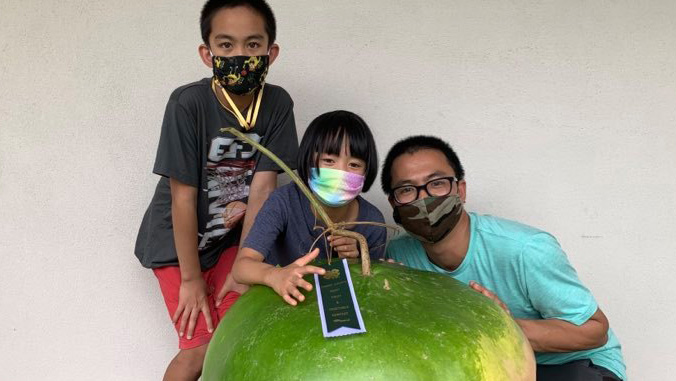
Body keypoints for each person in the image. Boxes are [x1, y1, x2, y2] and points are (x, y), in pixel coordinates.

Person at [134, 1, 298, 379]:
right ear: (207, 54)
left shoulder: (277, 104)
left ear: (271, 52)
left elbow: (263, 189)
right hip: (175, 244)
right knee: (198, 349)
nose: (240, 55)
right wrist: (191, 281)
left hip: (228, 241)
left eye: (253, 45)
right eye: (226, 46)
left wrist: (245, 266)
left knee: (233, 334)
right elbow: (182, 196)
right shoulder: (187, 103)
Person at [381, 135, 626, 381]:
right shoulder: (399, 256)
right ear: (393, 203)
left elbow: (594, 331)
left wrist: (501, 326)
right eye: (406, 190)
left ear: (460, 190)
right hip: (486, 364)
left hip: (572, 365)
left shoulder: (526, 249)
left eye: (437, 184)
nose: (424, 198)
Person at [232, 110, 387, 305]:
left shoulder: (373, 222)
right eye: (329, 161)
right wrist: (274, 275)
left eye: (354, 165)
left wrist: (356, 262)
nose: (340, 173)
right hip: (284, 304)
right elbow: (241, 267)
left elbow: (371, 291)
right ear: (308, 160)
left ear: (368, 171)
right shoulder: (284, 202)